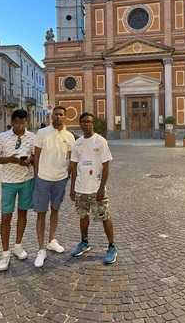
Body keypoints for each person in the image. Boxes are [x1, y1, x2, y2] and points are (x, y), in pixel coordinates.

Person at [70, 112, 117, 265]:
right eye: (83, 122)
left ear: (93, 123)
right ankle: (84, 243)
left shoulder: (100, 141)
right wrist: (72, 188)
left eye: (89, 122)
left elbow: (106, 167)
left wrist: (102, 187)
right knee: (83, 217)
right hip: (81, 188)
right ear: (80, 124)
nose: (87, 124)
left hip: (96, 188)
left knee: (105, 217)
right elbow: (73, 166)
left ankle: (112, 247)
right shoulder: (77, 143)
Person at [33, 106, 75, 268]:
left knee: (55, 210)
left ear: (65, 117)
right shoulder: (42, 133)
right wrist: (37, 175)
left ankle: (51, 240)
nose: (58, 117)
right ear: (52, 116)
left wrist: (69, 178)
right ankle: (41, 249)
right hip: (43, 179)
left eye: (61, 115)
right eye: (56, 114)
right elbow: (36, 155)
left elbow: (71, 159)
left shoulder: (70, 136)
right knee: (41, 214)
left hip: (61, 179)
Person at [0, 109, 35, 271]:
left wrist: (29, 160)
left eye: (22, 123)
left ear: (27, 122)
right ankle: (5, 253)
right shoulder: (2, 137)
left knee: (23, 213)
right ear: (12, 122)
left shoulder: (32, 137)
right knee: (6, 217)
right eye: (16, 123)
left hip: (26, 181)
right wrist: (11, 159)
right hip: (8, 182)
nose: (19, 126)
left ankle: (18, 246)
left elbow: (35, 157)